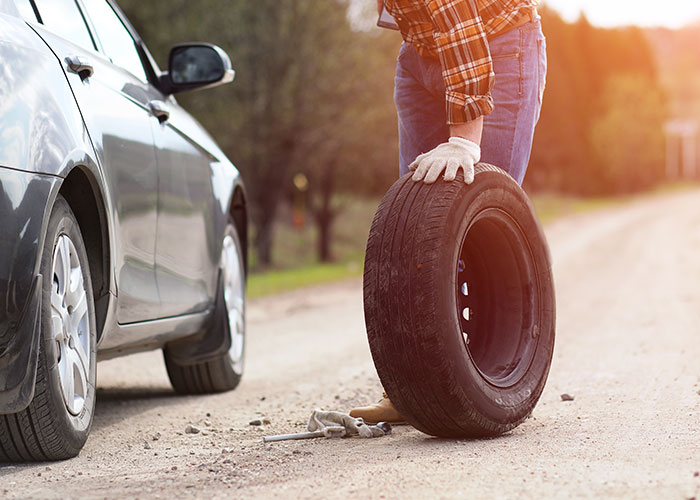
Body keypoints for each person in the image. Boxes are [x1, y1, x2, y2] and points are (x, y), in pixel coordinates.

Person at [350, 0, 547, 423]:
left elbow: (459, 20)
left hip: (495, 42)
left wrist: (465, 137)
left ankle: (493, 379)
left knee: (478, 221)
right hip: (421, 52)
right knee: (415, 228)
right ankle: (412, 386)